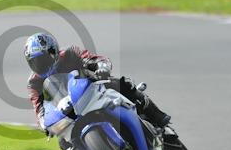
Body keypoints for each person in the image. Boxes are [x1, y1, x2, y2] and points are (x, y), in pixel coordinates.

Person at [24, 32, 171, 136]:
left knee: (122, 84)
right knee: (63, 142)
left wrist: (102, 67)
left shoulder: (69, 53)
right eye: (34, 62)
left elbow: (93, 59)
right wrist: (44, 124)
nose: (40, 65)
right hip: (70, 109)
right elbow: (39, 109)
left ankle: (157, 117)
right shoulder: (34, 82)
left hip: (93, 89)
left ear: (53, 52)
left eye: (42, 60)